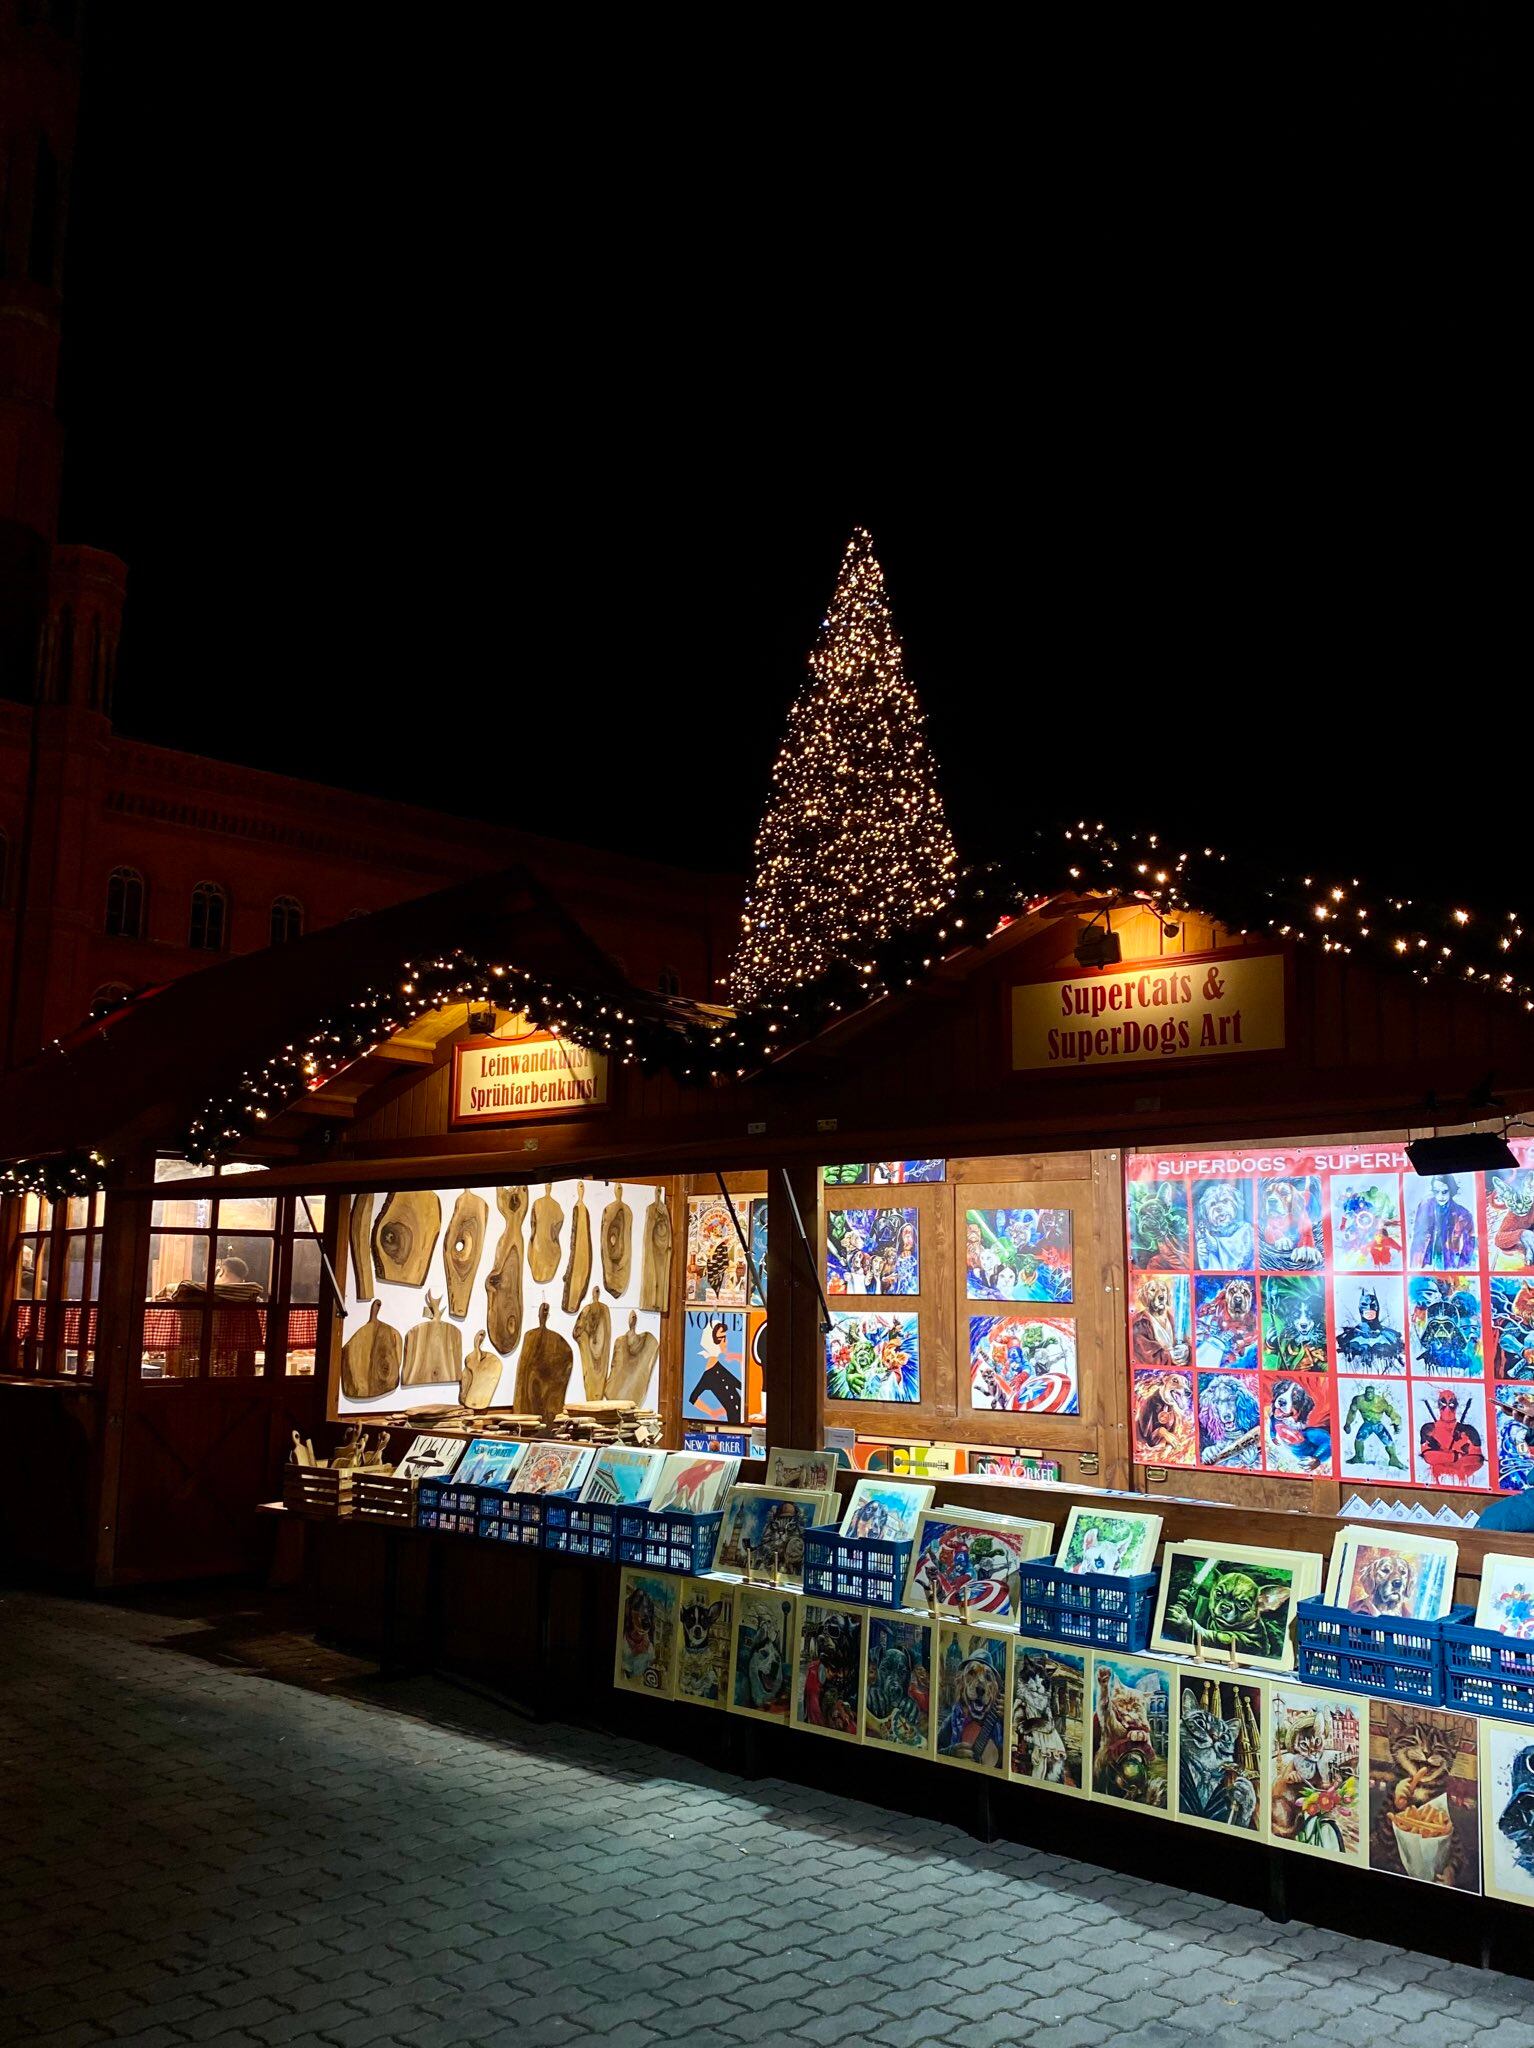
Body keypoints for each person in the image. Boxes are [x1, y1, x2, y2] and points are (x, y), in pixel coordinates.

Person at [1411, 1175, 1476, 1269]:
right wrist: (1414, 1266)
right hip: (1425, 1261)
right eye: (1436, 1191)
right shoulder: (1425, 1206)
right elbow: (1418, 1237)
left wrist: (1462, 1268)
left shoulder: (1463, 1214)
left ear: (1451, 1190)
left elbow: (1469, 1244)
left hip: (1449, 1262)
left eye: (1444, 1192)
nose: (1440, 1196)